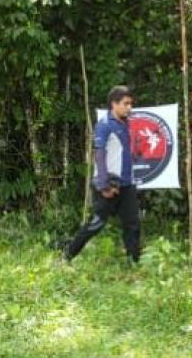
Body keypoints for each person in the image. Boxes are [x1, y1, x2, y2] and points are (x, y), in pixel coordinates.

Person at [57, 86, 142, 264]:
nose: (129, 107)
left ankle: (133, 264)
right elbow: (99, 155)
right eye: (126, 104)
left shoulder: (127, 124)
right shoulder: (104, 125)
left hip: (127, 184)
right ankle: (67, 256)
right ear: (114, 104)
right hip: (109, 185)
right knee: (96, 224)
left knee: (132, 224)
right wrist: (104, 185)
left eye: (131, 104)